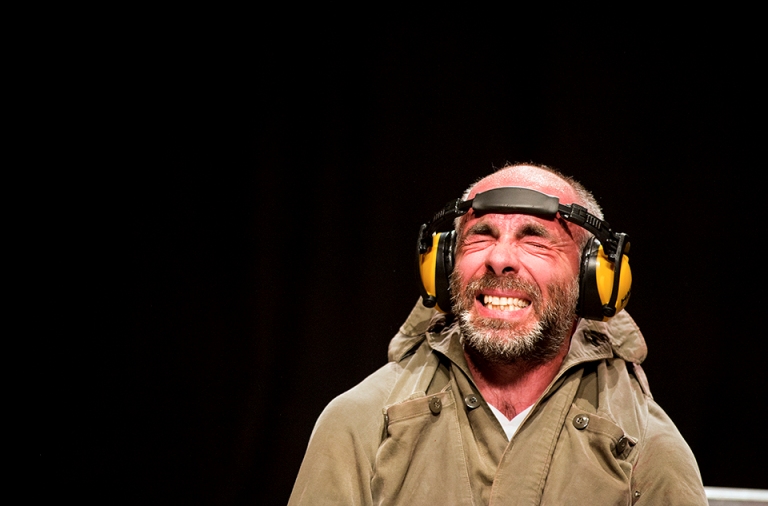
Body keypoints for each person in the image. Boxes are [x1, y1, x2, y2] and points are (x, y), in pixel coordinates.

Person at [289, 163, 707, 505]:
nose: (500, 258)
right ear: (443, 266)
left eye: (535, 240)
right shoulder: (359, 424)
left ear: (593, 278)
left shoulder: (648, 450)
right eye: (480, 236)